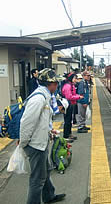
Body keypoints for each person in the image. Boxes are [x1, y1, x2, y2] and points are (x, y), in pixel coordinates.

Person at [19, 68, 66, 204]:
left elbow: (40, 121)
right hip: (35, 145)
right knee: (37, 179)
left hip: (41, 141)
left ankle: (49, 196)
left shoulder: (45, 96)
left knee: (45, 171)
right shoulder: (38, 99)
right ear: (48, 84)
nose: (57, 85)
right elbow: (27, 123)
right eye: (55, 83)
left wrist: (49, 131)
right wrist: (23, 143)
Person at [62, 72, 83, 141]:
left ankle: (69, 133)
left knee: (69, 120)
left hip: (70, 104)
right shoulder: (68, 86)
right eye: (74, 78)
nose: (75, 79)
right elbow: (69, 97)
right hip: (67, 104)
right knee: (67, 120)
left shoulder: (70, 85)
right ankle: (66, 135)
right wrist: (78, 97)